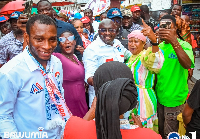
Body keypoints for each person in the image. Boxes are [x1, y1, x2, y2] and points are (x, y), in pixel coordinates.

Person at [0, 14, 72, 139]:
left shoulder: (56, 63)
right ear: (27, 37)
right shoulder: (11, 72)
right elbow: (3, 116)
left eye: (52, 39)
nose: (47, 46)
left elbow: (59, 96)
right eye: (39, 39)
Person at [64, 61, 162, 139]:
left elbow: (78, 131)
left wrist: (92, 110)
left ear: (97, 93)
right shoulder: (151, 136)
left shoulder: (72, 127)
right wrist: (141, 132)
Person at [155, 14, 195, 139]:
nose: (164, 29)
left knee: (171, 135)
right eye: (162, 26)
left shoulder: (184, 45)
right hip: (159, 98)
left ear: (175, 28)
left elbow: (187, 64)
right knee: (161, 131)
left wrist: (174, 41)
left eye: (168, 26)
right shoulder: (159, 47)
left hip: (175, 101)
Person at [83, 19, 131, 107]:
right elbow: (89, 79)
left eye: (111, 30)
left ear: (116, 31)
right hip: (101, 101)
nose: (107, 33)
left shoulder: (117, 44)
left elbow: (130, 56)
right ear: (98, 31)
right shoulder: (92, 49)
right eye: (103, 30)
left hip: (120, 97)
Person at [126, 20, 164, 132]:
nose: (132, 44)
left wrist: (154, 42)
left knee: (144, 130)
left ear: (143, 43)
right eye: (130, 41)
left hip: (144, 98)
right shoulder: (131, 57)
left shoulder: (145, 55)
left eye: (136, 41)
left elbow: (156, 61)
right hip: (132, 97)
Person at [17, 0, 84, 61]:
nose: (45, 12)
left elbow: (78, 48)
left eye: (47, 9)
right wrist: (24, 30)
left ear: (52, 10)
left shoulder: (67, 27)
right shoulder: (34, 29)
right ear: (38, 12)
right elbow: (28, 51)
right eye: (41, 10)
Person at [52, 29, 88, 118]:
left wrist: (85, 54)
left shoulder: (76, 58)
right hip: (68, 104)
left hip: (81, 102)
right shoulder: (57, 57)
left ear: (75, 42)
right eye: (62, 39)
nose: (67, 41)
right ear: (59, 44)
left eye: (70, 38)